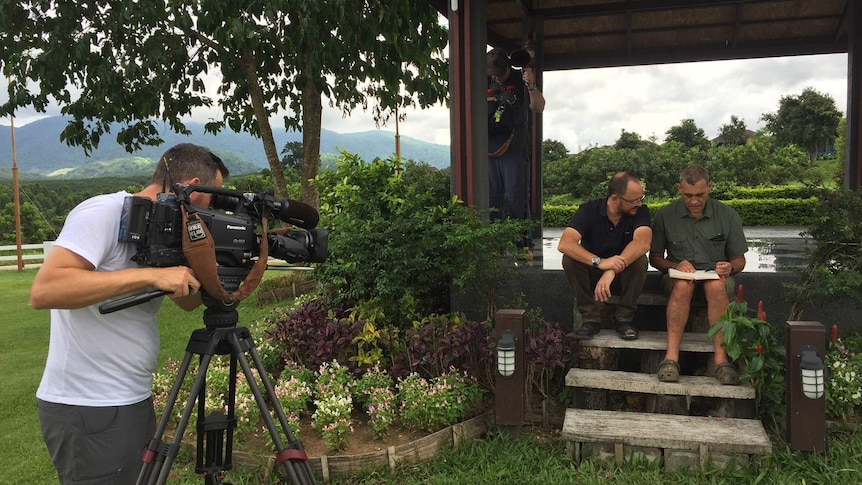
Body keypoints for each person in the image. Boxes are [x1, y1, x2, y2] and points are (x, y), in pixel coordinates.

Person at [31, 143, 230, 484]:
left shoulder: (168, 228)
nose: (216, 209)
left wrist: (218, 269)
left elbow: (186, 301)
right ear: (193, 189)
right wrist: (152, 275)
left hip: (131, 398)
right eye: (214, 197)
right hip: (90, 405)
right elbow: (46, 289)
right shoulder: (103, 212)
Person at [649, 166, 748, 385]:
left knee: (715, 286)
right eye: (688, 196)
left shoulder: (728, 215)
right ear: (679, 190)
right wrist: (675, 264)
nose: (694, 201)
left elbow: (740, 260)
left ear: (710, 187)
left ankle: (722, 361)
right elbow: (654, 258)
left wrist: (728, 267)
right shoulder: (666, 215)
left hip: (717, 278)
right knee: (684, 285)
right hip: (678, 279)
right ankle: (671, 359)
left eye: (700, 195)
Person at [558, 172, 652, 340]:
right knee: (569, 259)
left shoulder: (640, 212)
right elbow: (565, 243)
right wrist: (600, 263)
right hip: (593, 276)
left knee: (639, 260)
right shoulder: (589, 210)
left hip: (623, 277)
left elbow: (642, 243)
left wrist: (611, 270)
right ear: (615, 199)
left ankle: (624, 318)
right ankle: (590, 319)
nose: (639, 203)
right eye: (633, 200)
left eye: (641, 198)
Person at [486, 47, 545, 253]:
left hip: (514, 149)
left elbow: (538, 107)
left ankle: (523, 245)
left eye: (500, 73)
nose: (496, 77)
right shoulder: (486, 81)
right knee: (492, 198)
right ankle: (496, 245)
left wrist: (531, 85)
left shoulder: (520, 83)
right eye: (493, 73)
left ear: (507, 67)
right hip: (490, 149)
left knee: (515, 198)